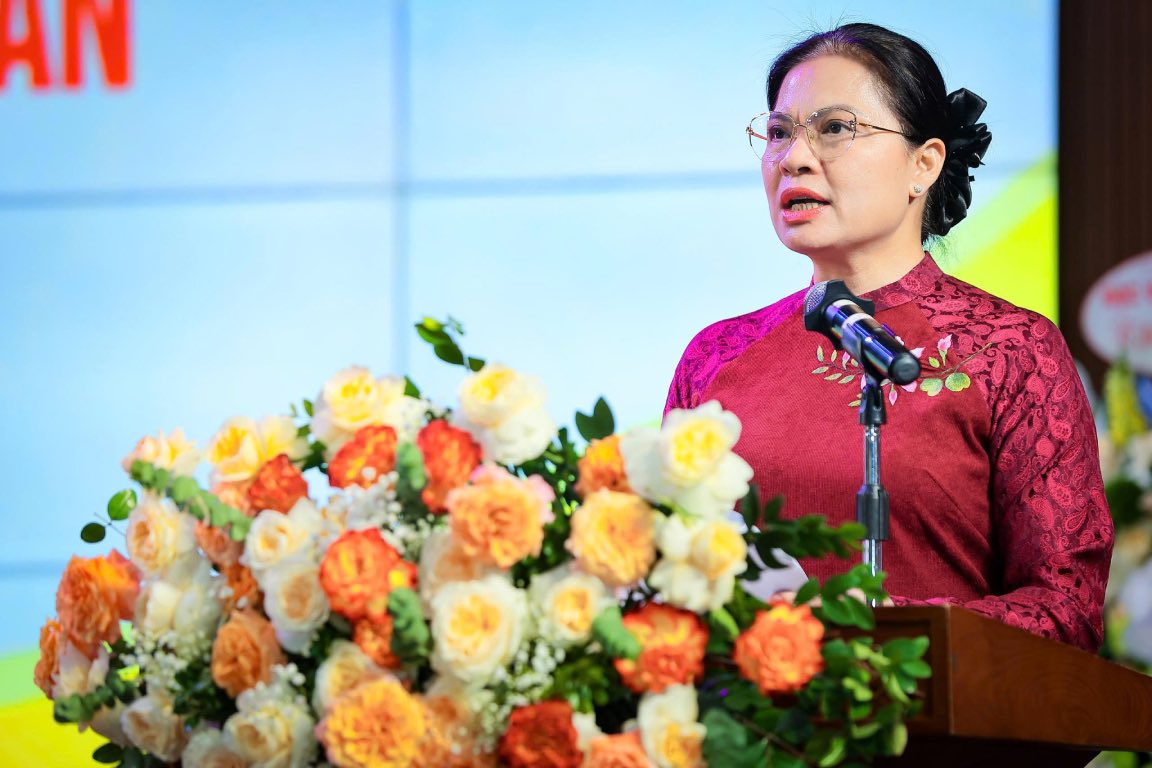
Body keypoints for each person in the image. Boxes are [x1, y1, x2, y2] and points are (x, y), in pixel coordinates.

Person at [664, 22, 1113, 652]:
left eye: (835, 128)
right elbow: (662, 569)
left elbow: (1066, 609)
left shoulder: (1012, 348)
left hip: (936, 710)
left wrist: (876, 625)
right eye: (780, 132)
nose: (793, 157)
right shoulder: (716, 356)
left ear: (924, 164)